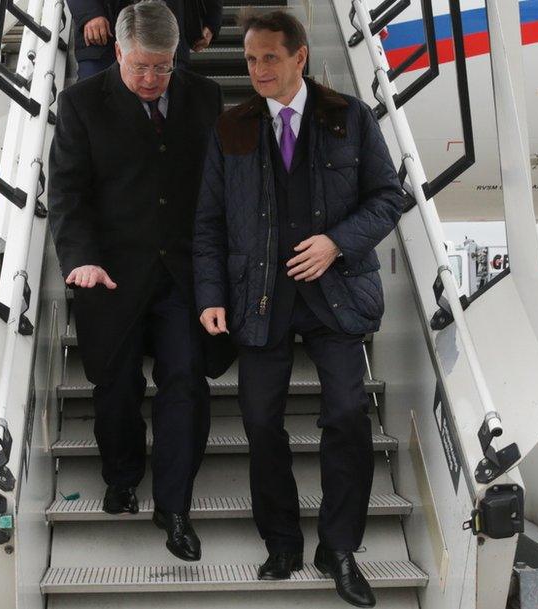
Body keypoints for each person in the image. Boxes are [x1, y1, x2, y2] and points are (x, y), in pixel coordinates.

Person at [193, 10, 403, 607]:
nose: (258, 69)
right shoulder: (231, 127)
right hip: (260, 302)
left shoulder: (348, 117)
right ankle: (281, 541)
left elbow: (389, 197)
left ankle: (338, 549)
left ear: (300, 57)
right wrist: (210, 296)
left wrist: (338, 240)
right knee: (261, 423)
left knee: (347, 416)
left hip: (337, 297)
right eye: (251, 59)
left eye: (270, 58)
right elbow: (208, 223)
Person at [48, 0, 224, 562]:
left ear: (177, 58)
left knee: (186, 384)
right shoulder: (79, 104)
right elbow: (68, 195)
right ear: (117, 52)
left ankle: (174, 508)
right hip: (110, 275)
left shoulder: (205, 98)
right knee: (116, 387)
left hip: (182, 273)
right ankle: (122, 476)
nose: (151, 79)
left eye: (163, 67)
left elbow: (218, 190)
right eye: (139, 66)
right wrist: (80, 257)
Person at [66, 0, 222, 79]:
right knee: (92, 109)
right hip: (104, 38)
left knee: (168, 116)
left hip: (168, 34)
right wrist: (90, 14)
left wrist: (211, 20)